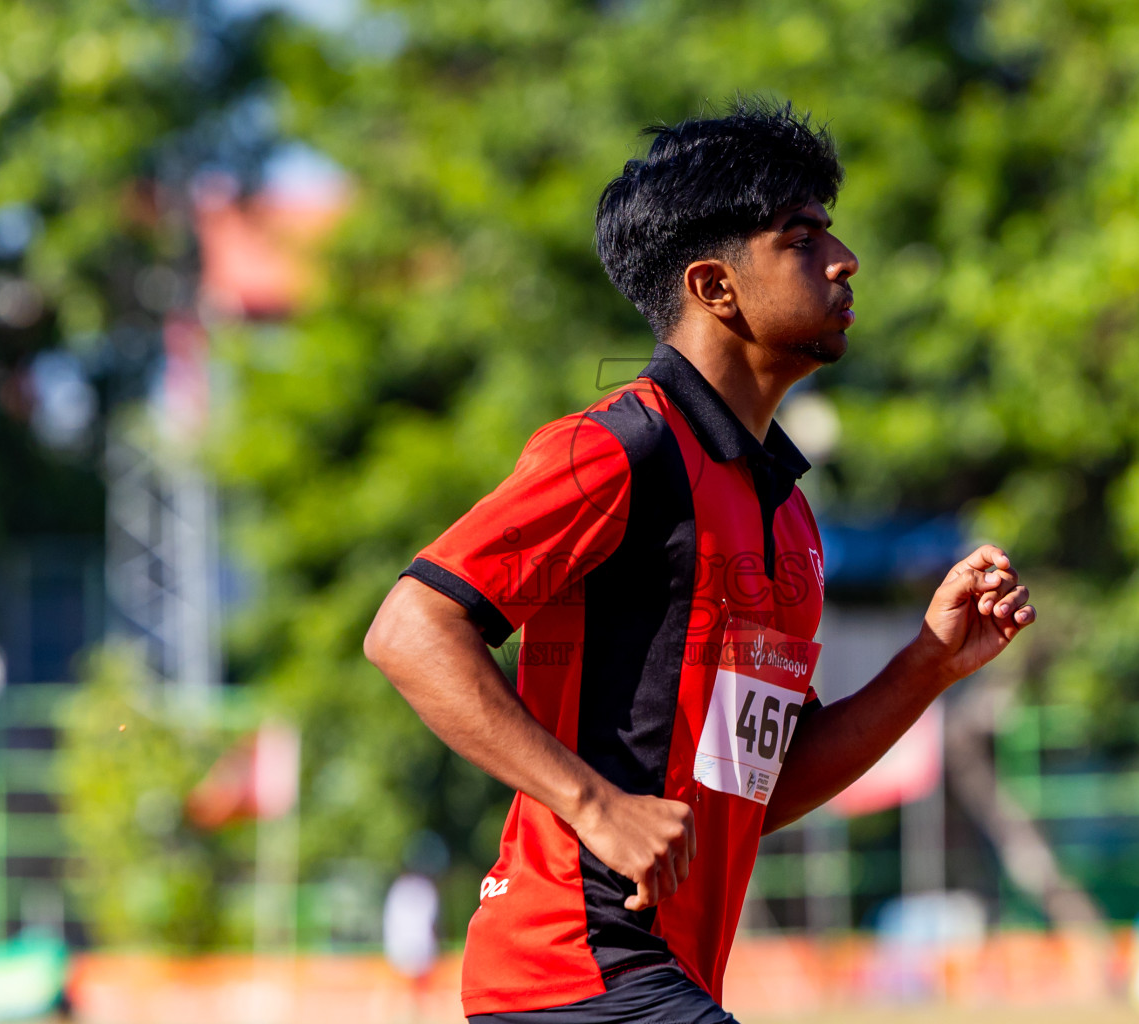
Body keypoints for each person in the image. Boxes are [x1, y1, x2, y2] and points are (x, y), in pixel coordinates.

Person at [363, 99, 1036, 1024]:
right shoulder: (615, 448)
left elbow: (759, 787)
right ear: (715, 287)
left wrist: (930, 664)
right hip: (577, 969)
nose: (843, 260)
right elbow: (409, 628)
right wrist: (595, 805)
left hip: (655, 980)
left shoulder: (787, 513)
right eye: (801, 238)